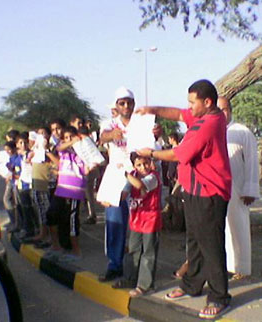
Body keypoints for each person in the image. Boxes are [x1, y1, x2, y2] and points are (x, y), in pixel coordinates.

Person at [136, 79, 232, 320]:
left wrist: (151, 153)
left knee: (210, 244)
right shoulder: (204, 115)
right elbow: (179, 114)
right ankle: (192, 284)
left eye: (192, 102)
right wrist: (153, 110)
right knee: (195, 241)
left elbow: (179, 154)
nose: (188, 107)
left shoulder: (208, 124)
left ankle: (220, 296)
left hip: (209, 193)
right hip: (194, 190)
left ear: (207, 102)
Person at [96, 86, 136, 282]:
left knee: (139, 223)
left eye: (129, 102)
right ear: (117, 105)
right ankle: (115, 264)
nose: (126, 106)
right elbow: (102, 137)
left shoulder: (140, 123)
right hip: (116, 176)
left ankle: (138, 267)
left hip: (137, 175)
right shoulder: (110, 124)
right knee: (114, 222)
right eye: (122, 103)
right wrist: (112, 136)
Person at [218, 96, 260, 278]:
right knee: (222, 230)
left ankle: (241, 268)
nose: (222, 113)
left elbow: (252, 162)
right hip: (216, 189)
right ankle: (225, 267)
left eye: (225, 109)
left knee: (238, 227)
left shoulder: (242, 132)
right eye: (218, 109)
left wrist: (250, 190)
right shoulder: (210, 131)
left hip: (238, 189)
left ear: (231, 111)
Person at [112, 152, 162, 298]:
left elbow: (140, 185)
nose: (143, 167)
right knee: (133, 250)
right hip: (136, 220)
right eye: (138, 164)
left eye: (146, 163)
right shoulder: (133, 175)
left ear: (150, 162)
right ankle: (130, 278)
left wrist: (125, 173)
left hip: (150, 220)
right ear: (134, 165)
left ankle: (145, 285)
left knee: (148, 253)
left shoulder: (153, 177)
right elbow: (124, 193)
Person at [46, 126, 86, 260]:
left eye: (71, 136)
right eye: (66, 137)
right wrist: (72, 141)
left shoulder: (82, 151)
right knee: (52, 213)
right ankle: (56, 245)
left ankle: (77, 251)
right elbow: (59, 148)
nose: (69, 140)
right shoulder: (64, 150)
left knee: (72, 219)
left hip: (75, 188)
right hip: (62, 187)